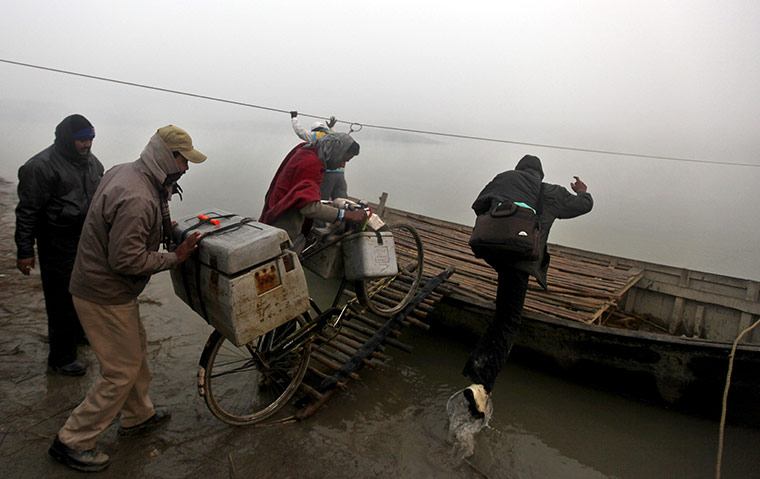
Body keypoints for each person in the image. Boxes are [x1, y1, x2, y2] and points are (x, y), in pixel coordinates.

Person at [48, 125, 206, 472]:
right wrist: (175, 256)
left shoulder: (129, 171)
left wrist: (164, 229)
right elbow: (126, 260)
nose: (186, 167)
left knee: (136, 352)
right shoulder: (138, 197)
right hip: (104, 293)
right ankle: (72, 440)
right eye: (183, 160)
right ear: (167, 157)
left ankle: (138, 415)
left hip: (103, 287)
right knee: (120, 371)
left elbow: (126, 228)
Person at [462, 154, 593, 418]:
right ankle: (482, 385)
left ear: (519, 169)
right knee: (508, 321)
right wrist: (583, 192)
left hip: (492, 250)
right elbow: (583, 206)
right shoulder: (551, 192)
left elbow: (478, 207)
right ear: (540, 175)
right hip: (520, 258)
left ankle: (479, 369)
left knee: (504, 309)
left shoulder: (503, 178)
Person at [15, 114, 104, 376]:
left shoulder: (92, 163)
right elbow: (27, 212)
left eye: (90, 138)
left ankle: (78, 335)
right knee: (61, 301)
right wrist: (24, 250)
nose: (87, 144)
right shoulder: (39, 167)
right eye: (81, 140)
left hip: (85, 241)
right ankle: (61, 358)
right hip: (55, 243)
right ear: (67, 139)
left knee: (83, 292)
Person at [260, 132, 366, 249]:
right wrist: (347, 215)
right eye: (344, 159)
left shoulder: (306, 150)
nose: (342, 164)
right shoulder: (311, 164)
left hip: (275, 210)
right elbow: (309, 207)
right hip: (283, 222)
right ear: (336, 151)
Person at [290, 111, 347, 203]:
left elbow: (300, 132)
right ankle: (346, 216)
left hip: (327, 173)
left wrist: (294, 118)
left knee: (321, 200)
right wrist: (331, 126)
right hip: (340, 173)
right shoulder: (334, 135)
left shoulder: (316, 135)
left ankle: (319, 217)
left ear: (315, 130)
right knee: (342, 200)